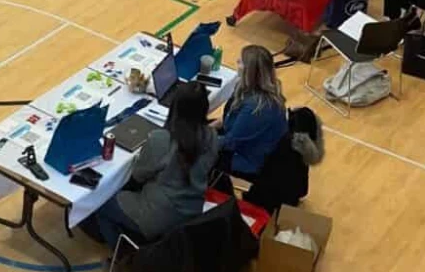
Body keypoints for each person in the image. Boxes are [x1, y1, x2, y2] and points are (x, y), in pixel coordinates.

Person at [87, 81, 220, 250]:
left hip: (158, 214)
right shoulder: (212, 136)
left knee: (101, 200)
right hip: (191, 209)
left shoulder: (162, 138)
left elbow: (138, 175)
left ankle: (123, 255)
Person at [218, 46, 291, 180]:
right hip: (238, 141)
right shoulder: (246, 87)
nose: (237, 61)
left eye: (241, 62)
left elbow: (230, 142)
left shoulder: (257, 108)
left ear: (250, 72)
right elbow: (231, 117)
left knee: (192, 153)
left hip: (246, 160)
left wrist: (198, 139)